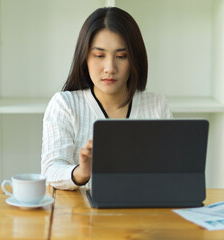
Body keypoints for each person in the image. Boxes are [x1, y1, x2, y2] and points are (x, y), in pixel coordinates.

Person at [41, 7, 172, 190]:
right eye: (99, 56)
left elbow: (170, 173)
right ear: (84, 58)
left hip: (141, 213)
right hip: (83, 215)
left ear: (135, 59)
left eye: (121, 56)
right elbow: (50, 171)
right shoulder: (65, 105)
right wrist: (82, 172)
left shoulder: (156, 105)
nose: (110, 68)